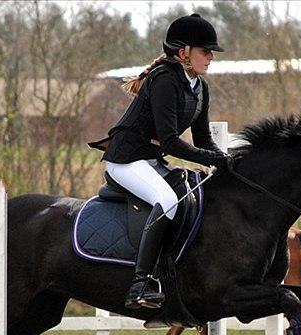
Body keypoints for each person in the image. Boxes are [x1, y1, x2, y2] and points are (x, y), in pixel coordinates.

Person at [90, 13, 234, 310]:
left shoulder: (199, 87)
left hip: (149, 161)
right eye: (205, 51)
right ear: (184, 53)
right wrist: (213, 158)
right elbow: (170, 142)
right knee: (168, 199)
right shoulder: (164, 80)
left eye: (211, 53)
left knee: (191, 196)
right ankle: (140, 283)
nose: (210, 58)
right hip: (125, 161)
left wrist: (227, 159)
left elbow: (203, 139)